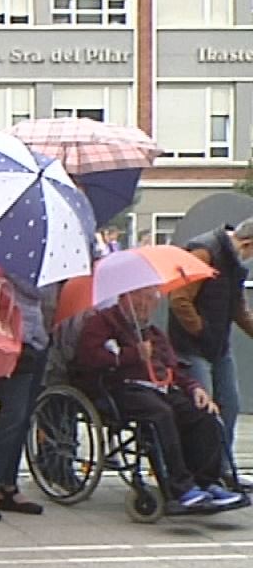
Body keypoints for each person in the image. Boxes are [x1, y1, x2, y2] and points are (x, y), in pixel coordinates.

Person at [79, 289, 242, 515]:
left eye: (149, 299)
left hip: (160, 388)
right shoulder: (101, 323)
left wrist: (195, 388)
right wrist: (132, 354)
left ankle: (206, 482)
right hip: (120, 388)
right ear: (123, 298)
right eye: (138, 297)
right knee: (161, 414)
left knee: (203, 414)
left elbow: (174, 368)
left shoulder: (153, 332)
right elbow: (88, 360)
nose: (144, 304)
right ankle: (180, 487)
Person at [0, 274, 50, 521]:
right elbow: (35, 291)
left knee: (24, 417)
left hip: (36, 338)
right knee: (11, 415)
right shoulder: (14, 261)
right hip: (12, 339)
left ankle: (8, 484)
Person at [168, 219, 253, 439]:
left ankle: (222, 465)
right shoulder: (204, 252)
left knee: (230, 404)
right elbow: (179, 299)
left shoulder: (235, 265)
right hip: (192, 346)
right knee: (204, 408)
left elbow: (238, 308)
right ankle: (203, 466)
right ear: (248, 244)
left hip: (218, 344)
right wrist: (200, 330)